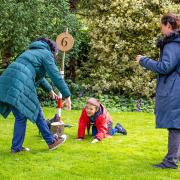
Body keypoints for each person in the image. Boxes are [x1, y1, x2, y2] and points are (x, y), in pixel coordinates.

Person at [0, 37, 71, 152]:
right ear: (53, 51)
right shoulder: (46, 54)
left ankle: (16, 148)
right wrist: (67, 95)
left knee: (20, 117)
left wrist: (49, 90)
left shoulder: (29, 52)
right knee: (37, 111)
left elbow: (38, 76)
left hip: (6, 82)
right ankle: (51, 141)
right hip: (21, 83)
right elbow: (55, 75)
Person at [136, 13, 180, 169]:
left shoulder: (173, 44)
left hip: (175, 89)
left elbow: (165, 67)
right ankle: (175, 157)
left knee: (175, 125)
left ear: (168, 25)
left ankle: (170, 161)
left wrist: (143, 60)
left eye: (162, 25)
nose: (161, 28)